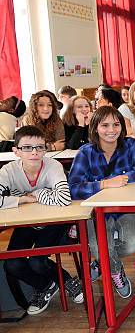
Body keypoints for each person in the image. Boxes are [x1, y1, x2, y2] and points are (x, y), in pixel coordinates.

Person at [68, 106, 135, 299]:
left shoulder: (131, 145)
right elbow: (73, 188)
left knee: (132, 243)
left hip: (128, 207)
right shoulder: (85, 152)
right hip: (96, 211)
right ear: (95, 128)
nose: (111, 130)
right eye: (105, 125)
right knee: (98, 247)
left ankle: (101, 263)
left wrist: (115, 180)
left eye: (116, 124)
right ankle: (114, 270)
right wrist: (104, 184)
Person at [1, 126, 83, 315]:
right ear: (16, 151)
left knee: (38, 261)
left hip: (53, 223)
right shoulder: (8, 171)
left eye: (40, 147)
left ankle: (66, 280)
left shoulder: (52, 166)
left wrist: (37, 193)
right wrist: (22, 199)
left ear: (46, 149)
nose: (34, 152)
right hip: (26, 222)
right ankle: (46, 285)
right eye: (27, 147)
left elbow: (64, 198)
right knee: (12, 264)